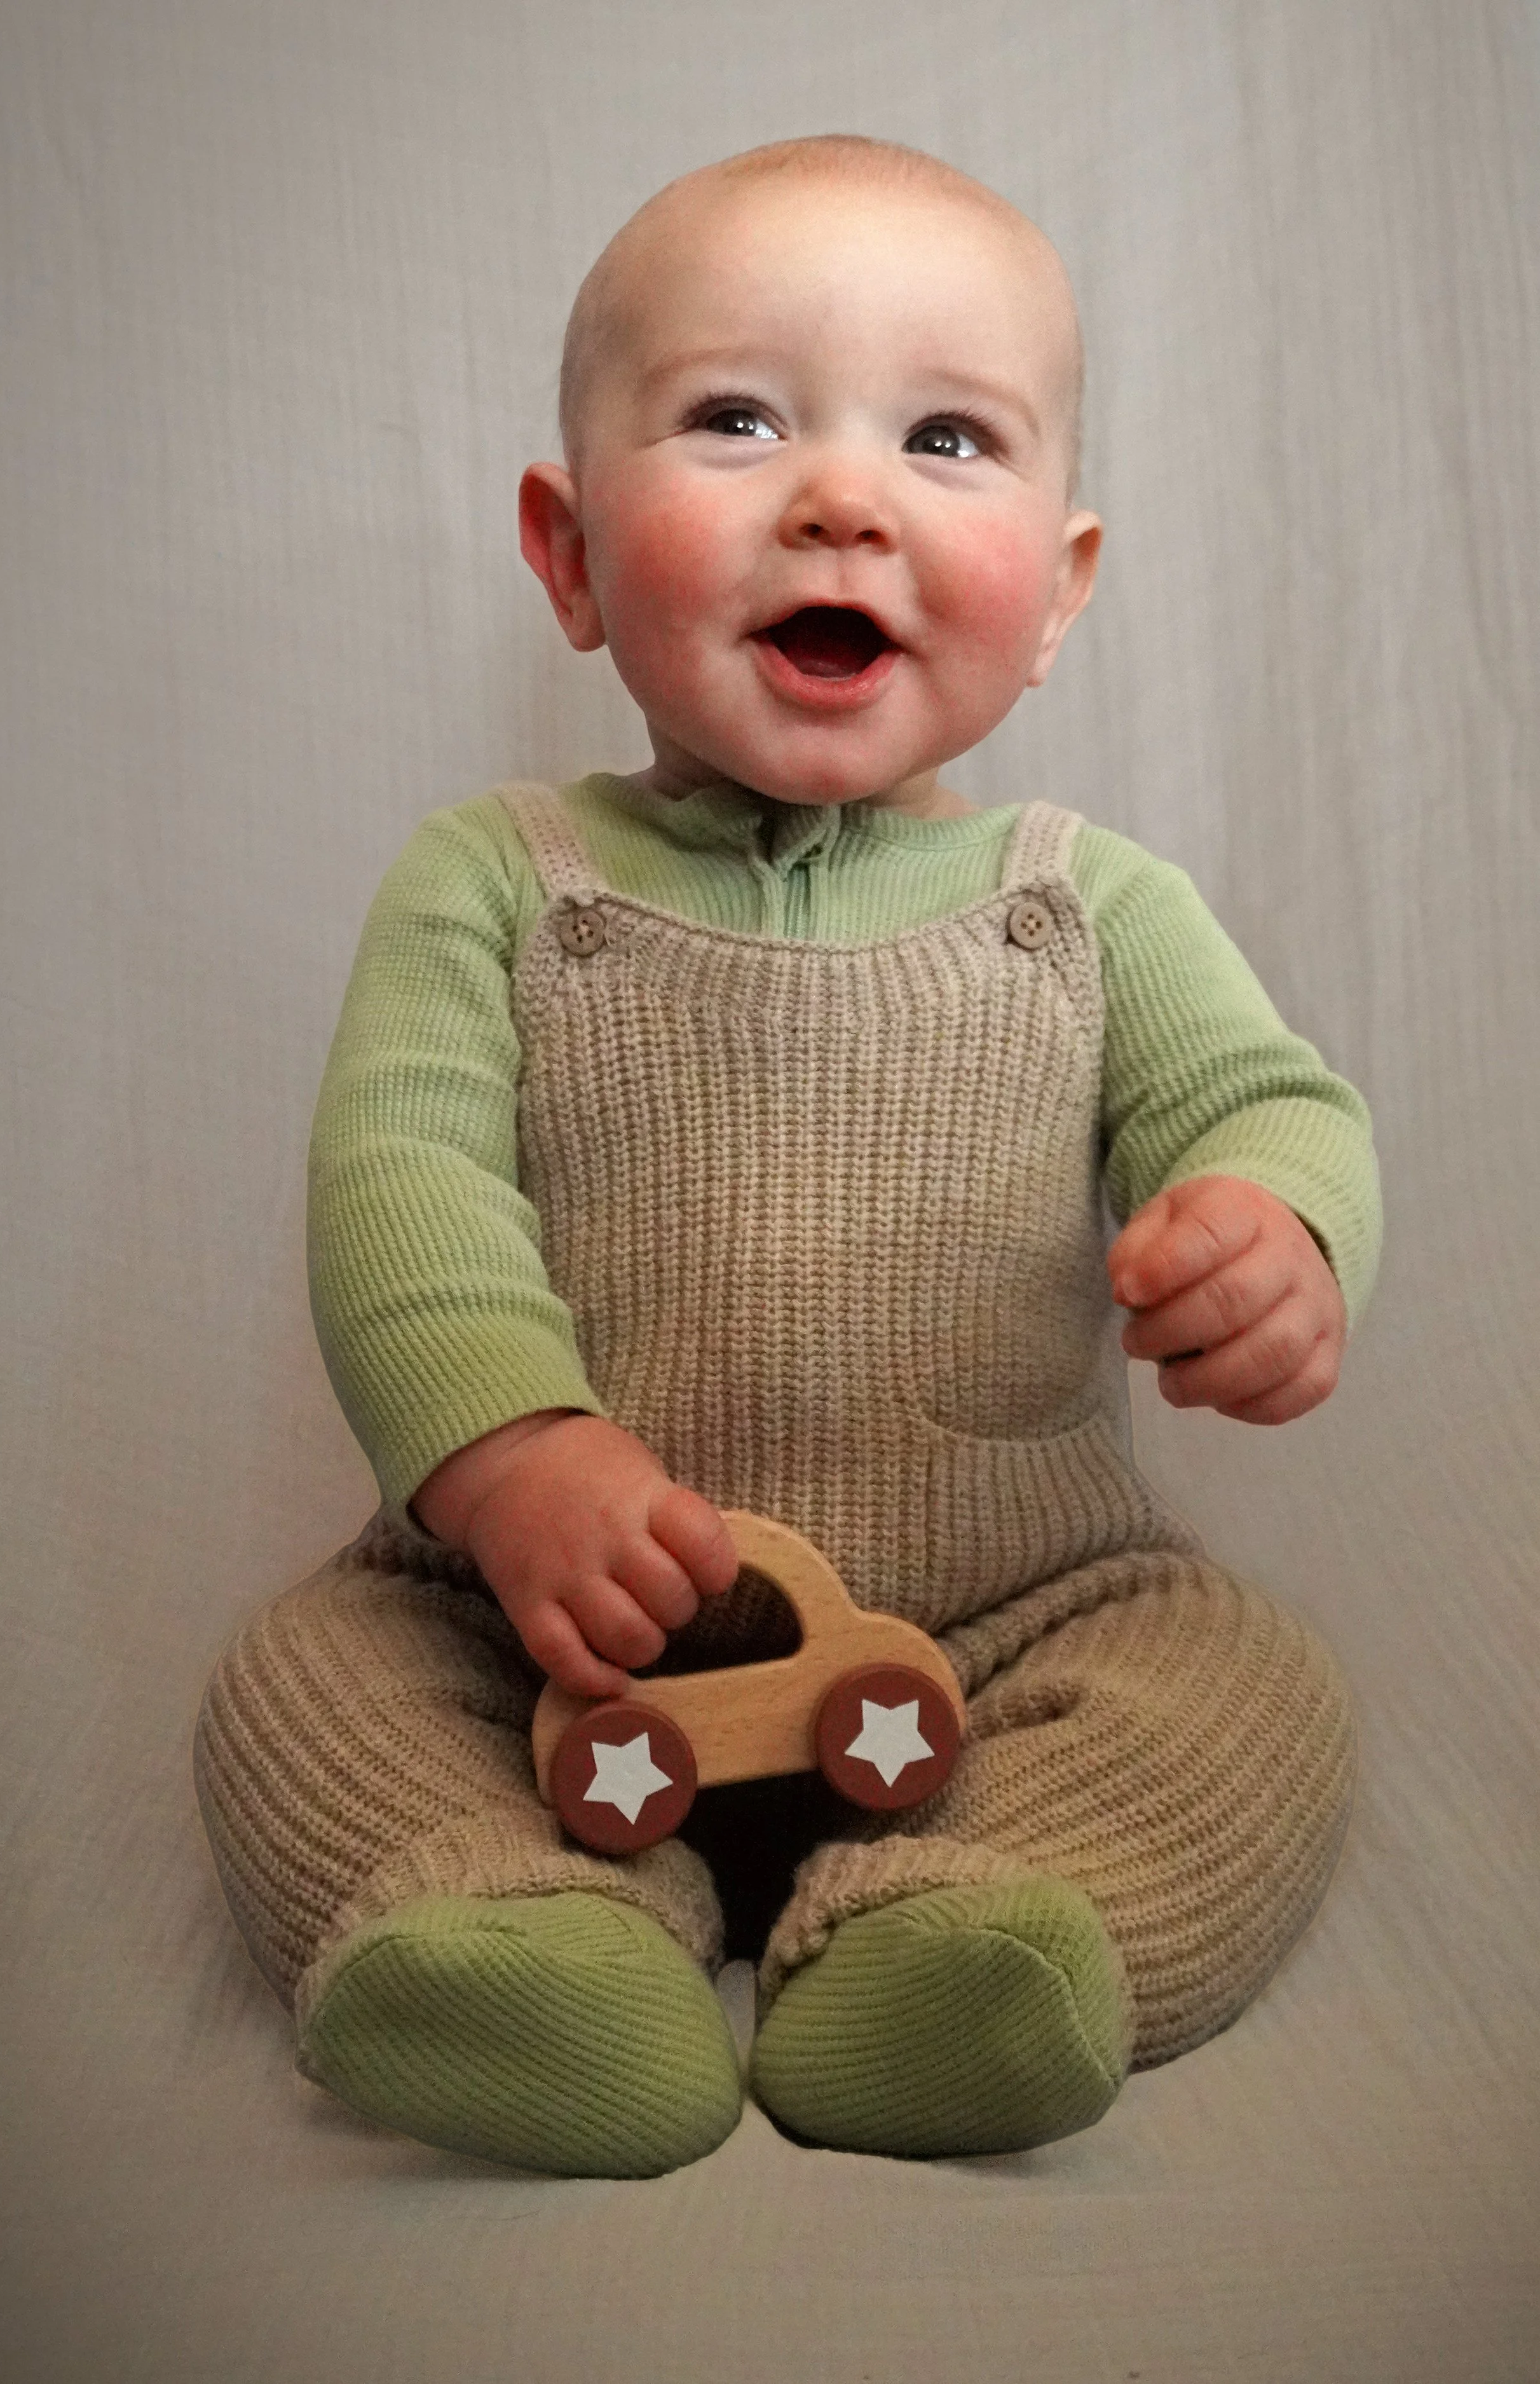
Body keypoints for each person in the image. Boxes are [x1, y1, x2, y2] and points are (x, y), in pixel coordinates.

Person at [194, 135, 1381, 2178]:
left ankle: (956, 1945)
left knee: (1247, 1692)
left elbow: (1264, 1101)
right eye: (735, 420)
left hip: (1001, 1632)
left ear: (1061, 591)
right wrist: (511, 1464)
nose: (842, 496)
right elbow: (403, 1194)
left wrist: (1272, 1228)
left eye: (945, 437)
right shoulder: (498, 880)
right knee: (302, 1682)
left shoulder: (1085, 903)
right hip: (552, 1630)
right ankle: (545, 1943)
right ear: (567, 555)